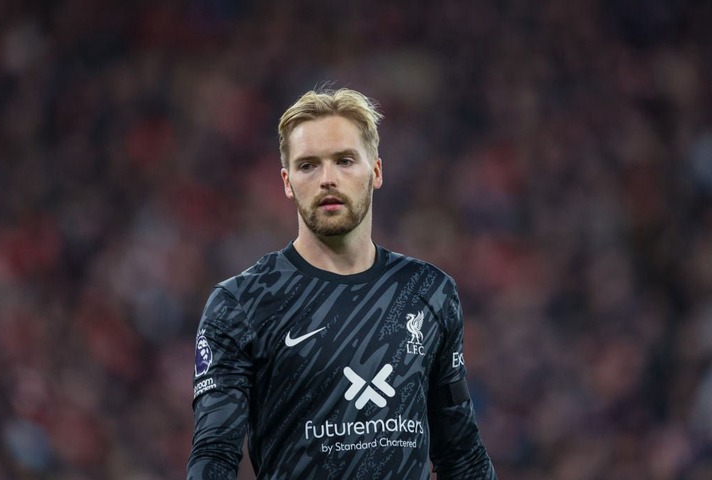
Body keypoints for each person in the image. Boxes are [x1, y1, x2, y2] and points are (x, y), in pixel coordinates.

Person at [187, 87, 497, 479]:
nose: (327, 179)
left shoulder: (429, 291)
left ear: (377, 171)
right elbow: (214, 457)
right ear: (286, 181)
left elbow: (462, 455)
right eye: (308, 166)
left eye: (345, 160)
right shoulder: (241, 304)